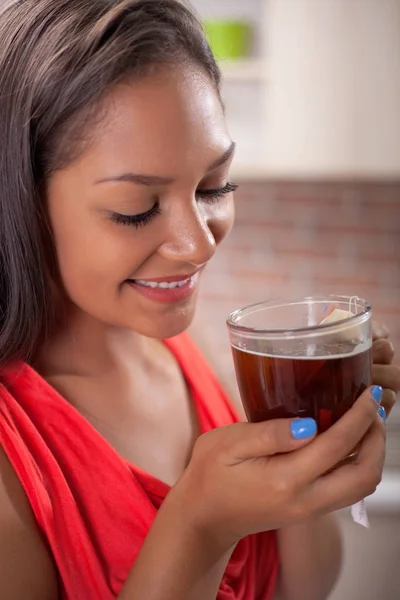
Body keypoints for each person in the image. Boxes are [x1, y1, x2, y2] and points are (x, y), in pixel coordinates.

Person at [0, 1, 398, 599]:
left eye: (216, 186)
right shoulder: (13, 456)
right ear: (22, 204)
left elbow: (302, 587)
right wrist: (200, 525)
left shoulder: (194, 350)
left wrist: (313, 459)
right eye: (136, 210)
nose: (196, 245)